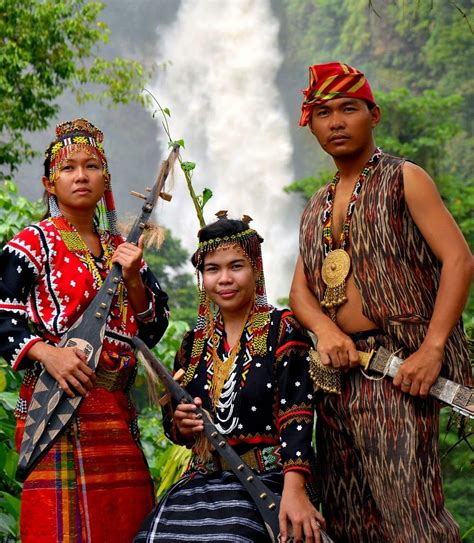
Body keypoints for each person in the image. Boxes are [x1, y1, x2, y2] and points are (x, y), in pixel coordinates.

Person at [290, 62, 473, 543]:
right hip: (335, 381)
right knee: (349, 517)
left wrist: (432, 350)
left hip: (398, 372)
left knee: (410, 517)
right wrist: (326, 331)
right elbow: (300, 292)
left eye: (348, 109)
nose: (336, 122)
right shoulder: (316, 205)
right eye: (323, 112)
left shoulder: (404, 179)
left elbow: (458, 259)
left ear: (374, 114)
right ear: (309, 123)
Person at [0, 118, 169, 542]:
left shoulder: (123, 248)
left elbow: (153, 329)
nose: (81, 175)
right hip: (55, 407)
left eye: (91, 166)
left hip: (116, 410)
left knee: (125, 525)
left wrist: (132, 277)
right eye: (68, 167)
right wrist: (47, 353)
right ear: (49, 183)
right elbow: (1, 314)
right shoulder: (32, 243)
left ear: (105, 179)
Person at [135, 214, 326, 543]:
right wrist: (180, 424)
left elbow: (298, 412)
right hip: (201, 482)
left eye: (236, 266)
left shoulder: (282, 328)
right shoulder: (194, 342)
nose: (224, 279)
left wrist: (295, 490)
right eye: (213, 269)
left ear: (256, 270)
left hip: (267, 481)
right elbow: (176, 425)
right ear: (202, 277)